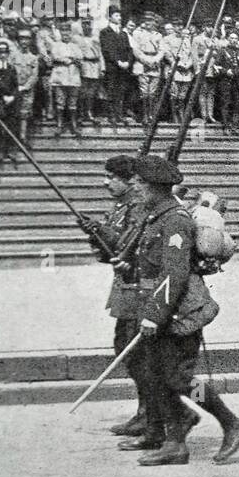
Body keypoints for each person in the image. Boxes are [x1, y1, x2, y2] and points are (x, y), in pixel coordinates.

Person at [125, 155, 239, 466]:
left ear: (156, 187)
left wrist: (154, 315)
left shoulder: (175, 220)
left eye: (140, 184)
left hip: (179, 312)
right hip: (162, 308)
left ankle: (231, 422)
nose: (136, 189)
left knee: (181, 379)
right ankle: (175, 444)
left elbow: (175, 273)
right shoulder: (156, 216)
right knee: (157, 376)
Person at [77, 155, 147, 436]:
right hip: (124, 288)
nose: (106, 183)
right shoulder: (120, 206)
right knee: (125, 349)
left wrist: (100, 230)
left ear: (128, 180)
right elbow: (110, 253)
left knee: (135, 353)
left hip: (138, 290)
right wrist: (95, 233)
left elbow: (126, 246)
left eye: (111, 178)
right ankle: (148, 412)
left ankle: (151, 414)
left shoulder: (138, 207)